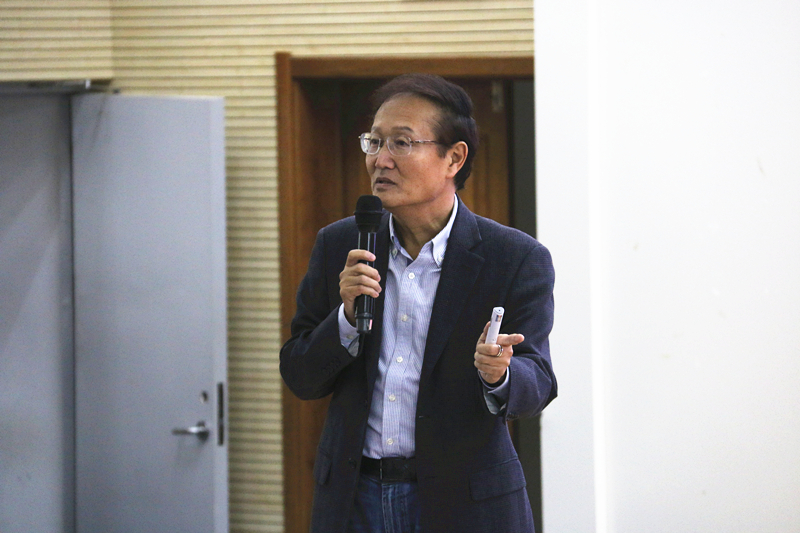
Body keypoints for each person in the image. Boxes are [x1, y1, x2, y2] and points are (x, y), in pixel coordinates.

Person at [280, 73, 557, 533]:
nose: (380, 159)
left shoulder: (514, 258)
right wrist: (345, 319)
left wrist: (500, 374)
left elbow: (539, 381)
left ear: (454, 158)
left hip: (463, 502)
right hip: (355, 498)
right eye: (374, 142)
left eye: (402, 143)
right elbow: (299, 374)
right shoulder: (340, 244)